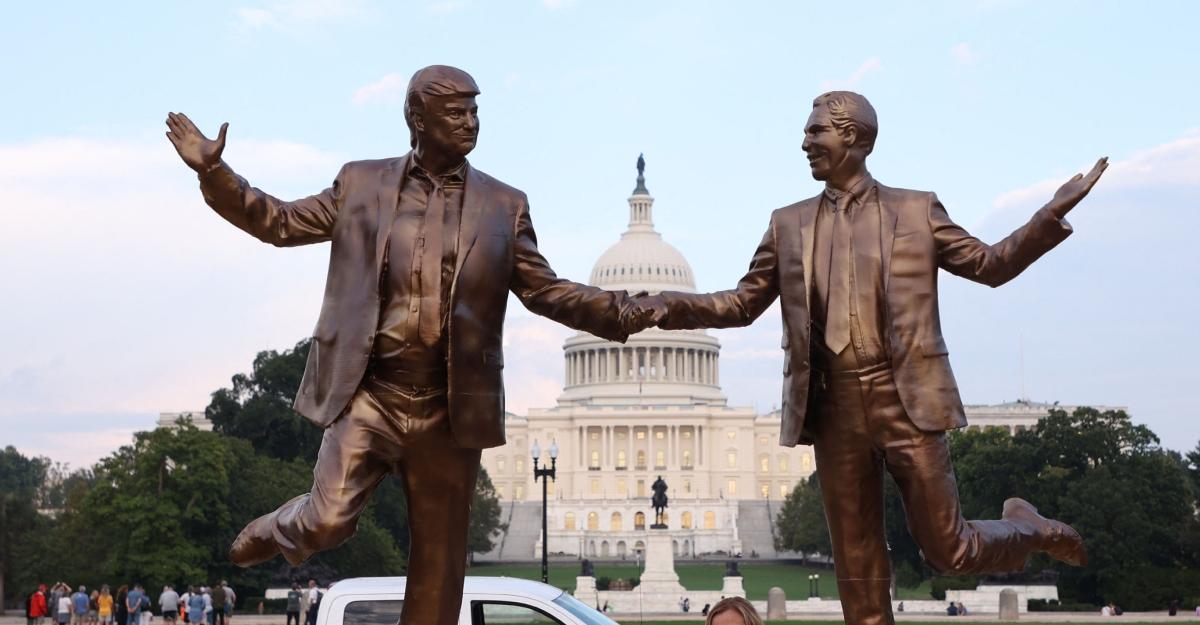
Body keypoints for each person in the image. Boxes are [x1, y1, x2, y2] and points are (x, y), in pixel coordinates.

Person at [164, 64, 653, 625]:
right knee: (327, 522)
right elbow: (279, 222)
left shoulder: (503, 204)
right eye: (457, 113)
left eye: (475, 111)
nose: (471, 123)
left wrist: (620, 311)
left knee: (440, 573)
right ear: (417, 119)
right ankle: (281, 526)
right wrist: (216, 172)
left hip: (450, 407)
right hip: (372, 393)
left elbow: (545, 292)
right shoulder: (361, 184)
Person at [636, 91, 1106, 625]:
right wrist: (663, 306)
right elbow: (742, 303)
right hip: (832, 405)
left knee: (950, 550)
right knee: (858, 573)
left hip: (903, 396)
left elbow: (990, 263)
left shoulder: (915, 209)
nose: (805, 143)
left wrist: (1048, 216)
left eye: (816, 133)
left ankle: (1031, 527)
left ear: (854, 137)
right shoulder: (787, 223)